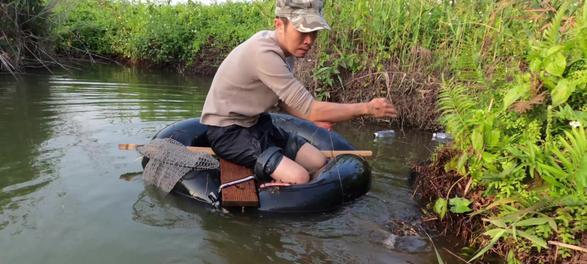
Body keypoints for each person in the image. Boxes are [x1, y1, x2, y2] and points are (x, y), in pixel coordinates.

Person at [200, 0, 397, 184]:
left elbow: (285, 102)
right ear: (279, 24)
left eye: (314, 33)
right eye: (302, 32)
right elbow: (310, 108)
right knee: (300, 177)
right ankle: (269, 186)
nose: (309, 40)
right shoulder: (264, 53)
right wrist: (367, 108)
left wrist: (312, 118)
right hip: (228, 132)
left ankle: (273, 172)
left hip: (256, 124)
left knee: (317, 161)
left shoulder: (286, 52)